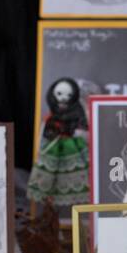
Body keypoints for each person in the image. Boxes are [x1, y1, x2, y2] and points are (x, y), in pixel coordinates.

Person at [27, 78, 89, 215]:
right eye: (60, 94)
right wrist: (40, 150)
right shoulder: (50, 117)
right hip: (53, 151)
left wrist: (79, 134)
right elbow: (43, 134)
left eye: (69, 95)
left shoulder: (78, 113)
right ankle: (52, 217)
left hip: (74, 151)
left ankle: (77, 220)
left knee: (76, 184)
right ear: (53, 94)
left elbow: (85, 130)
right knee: (51, 186)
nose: (64, 99)